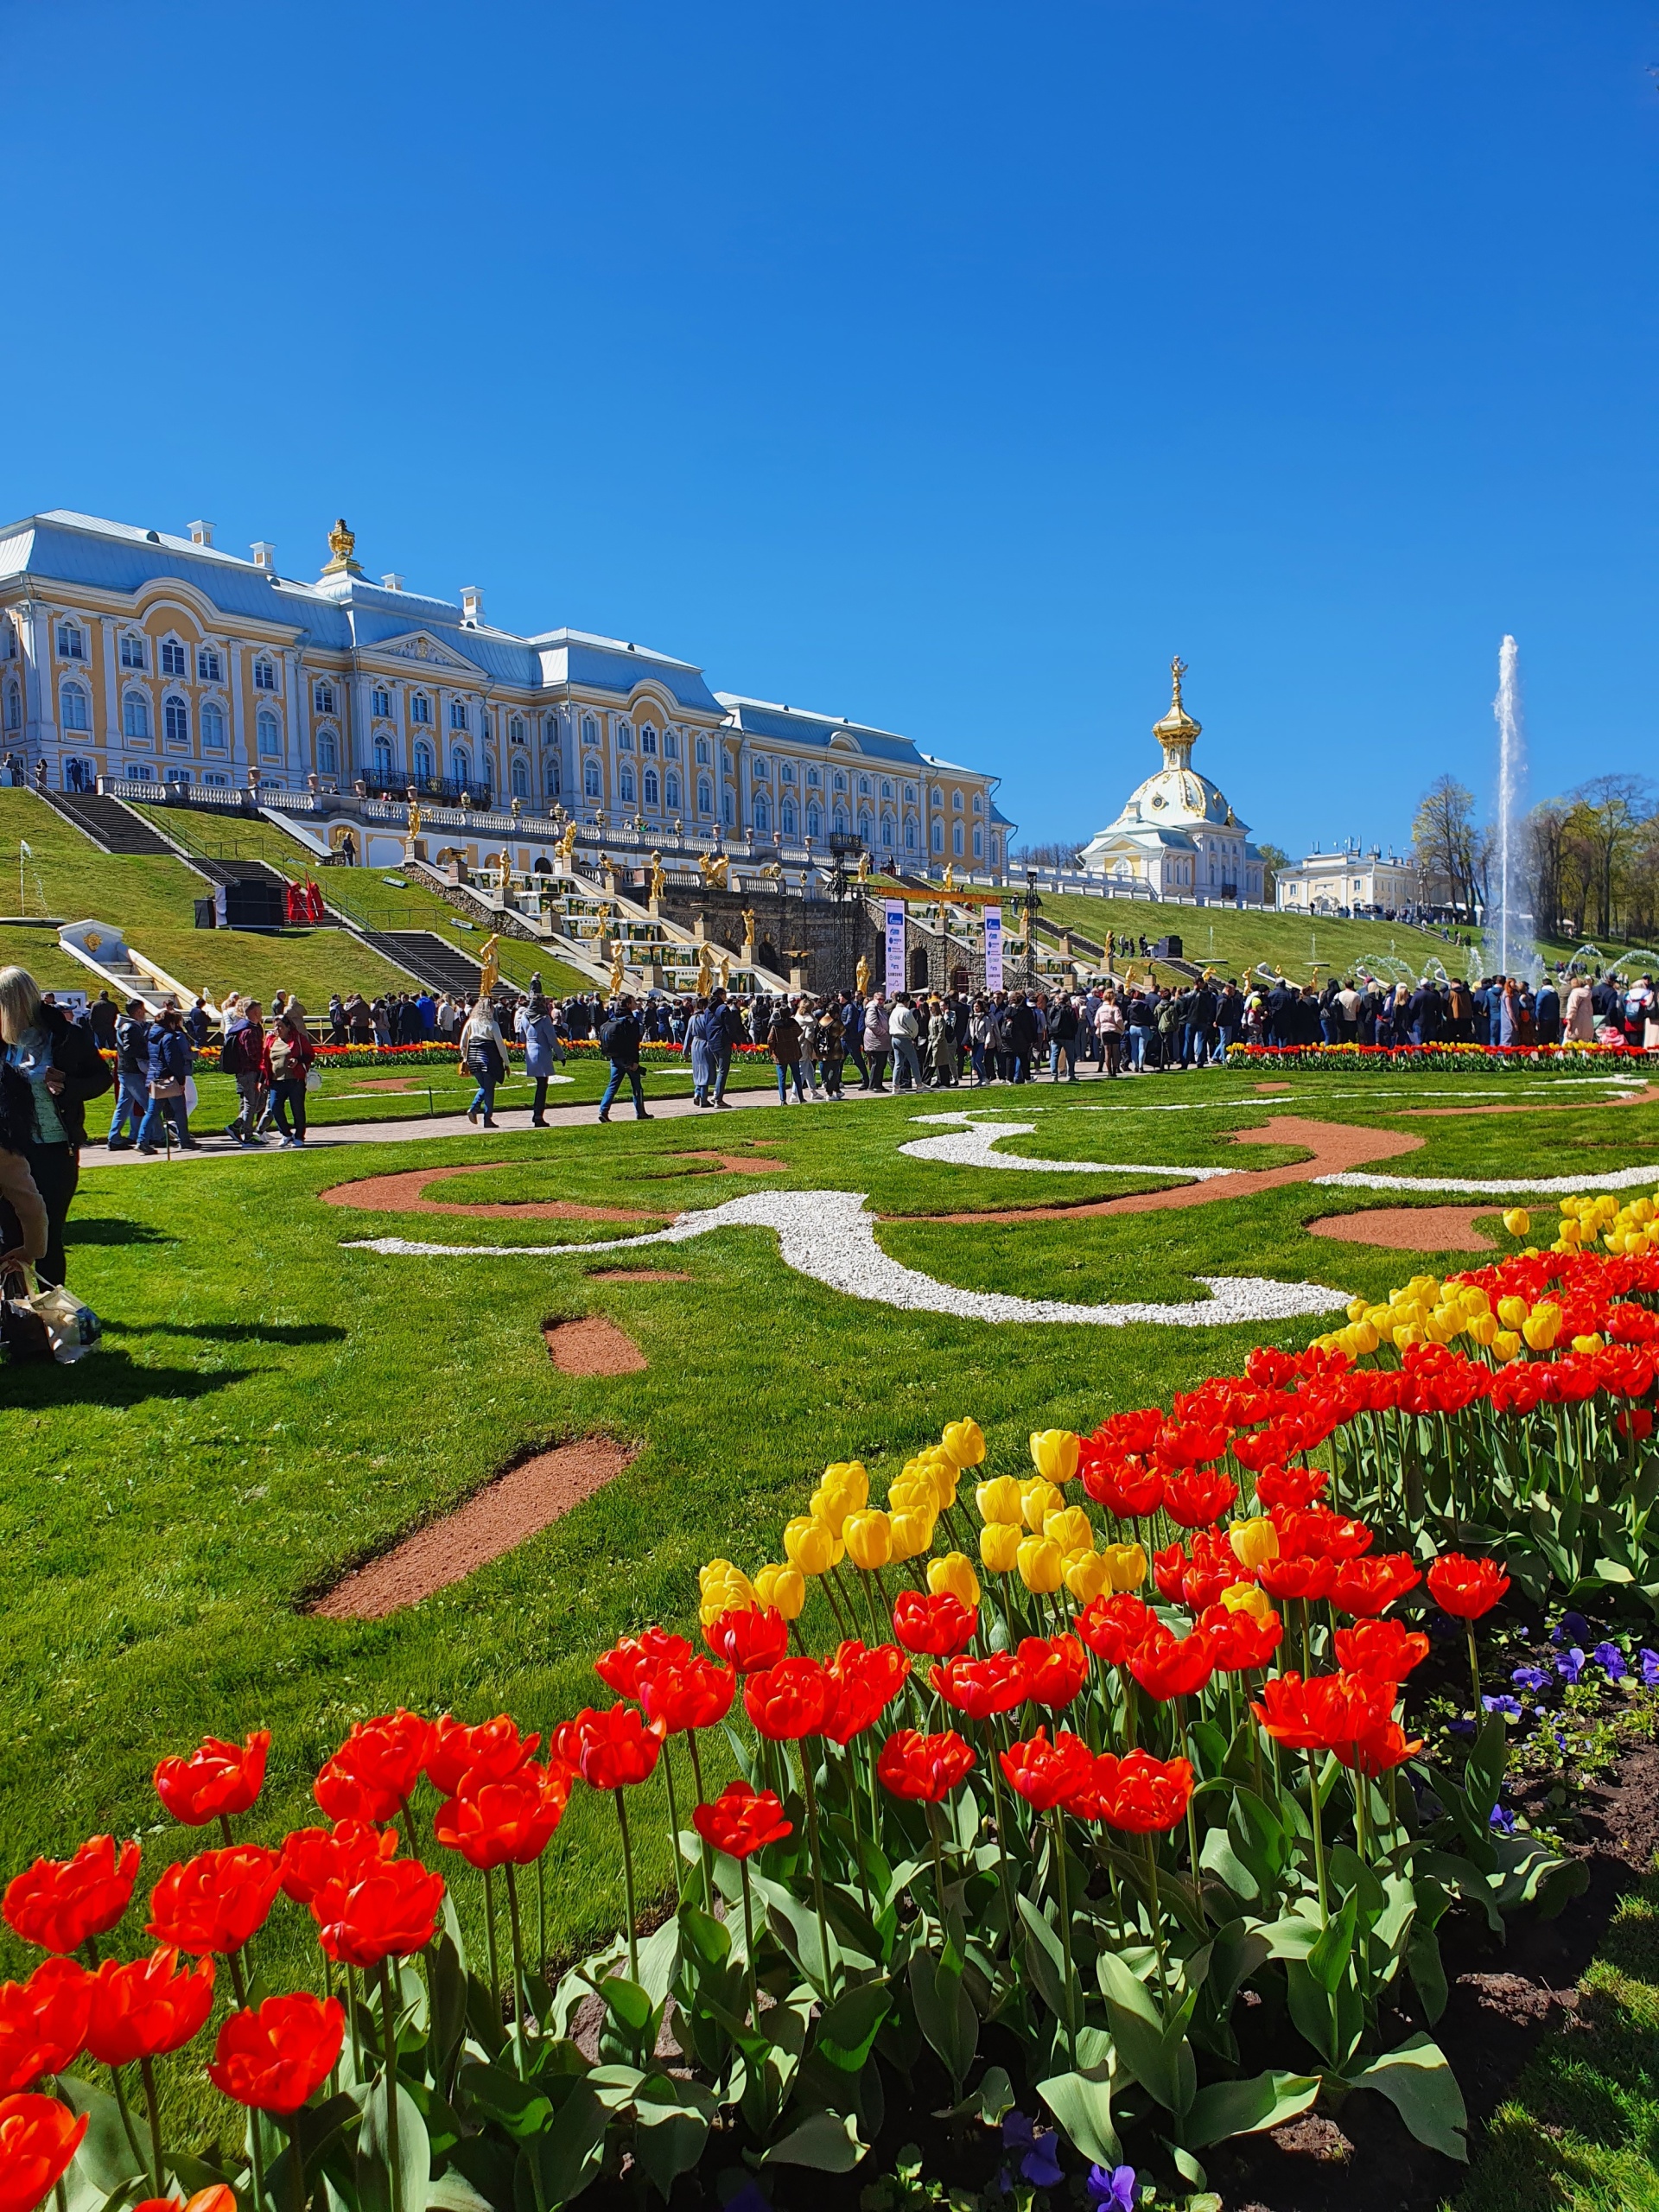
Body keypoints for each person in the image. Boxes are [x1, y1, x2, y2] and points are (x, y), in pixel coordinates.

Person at [0, 967, 110, 1286]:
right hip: (9, 1149)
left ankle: (53, 1310)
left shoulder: (64, 1036)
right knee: (8, 1234)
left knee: (46, 1235)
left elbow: (101, 1078)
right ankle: (17, 1314)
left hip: (54, 1149)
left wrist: (69, 1086)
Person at [137, 1003, 196, 1152]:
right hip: (168, 1078)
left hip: (154, 1077)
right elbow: (172, 1060)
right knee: (180, 1110)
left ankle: (141, 1140)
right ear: (170, 1023)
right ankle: (185, 1139)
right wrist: (181, 1080)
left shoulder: (151, 1037)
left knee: (152, 1112)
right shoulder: (169, 1037)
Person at [261, 1012, 315, 1147]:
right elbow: (265, 1061)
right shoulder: (271, 1040)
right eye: (275, 1026)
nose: (277, 1029)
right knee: (274, 1107)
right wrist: (262, 1080)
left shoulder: (298, 1039)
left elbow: (310, 1055)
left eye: (280, 1026)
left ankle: (299, 1136)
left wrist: (297, 1060)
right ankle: (286, 1133)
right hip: (276, 1081)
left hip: (294, 1080)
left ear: (288, 1027)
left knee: (297, 1108)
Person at [598, 993, 652, 1122]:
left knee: (613, 1085)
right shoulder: (631, 1021)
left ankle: (603, 1110)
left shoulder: (613, 1019)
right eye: (633, 1002)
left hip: (615, 1057)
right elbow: (633, 1043)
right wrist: (635, 1062)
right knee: (636, 1086)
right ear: (628, 1004)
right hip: (628, 1058)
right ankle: (640, 1112)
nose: (635, 1004)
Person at [106, 996, 151, 1148]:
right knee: (149, 1105)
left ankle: (114, 1137)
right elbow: (130, 1049)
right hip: (132, 1071)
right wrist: (147, 1054)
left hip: (126, 1070)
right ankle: (157, 1136)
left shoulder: (125, 1026)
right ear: (138, 1011)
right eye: (143, 1010)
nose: (144, 1012)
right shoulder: (131, 1027)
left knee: (124, 1106)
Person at [222, 999, 268, 1144]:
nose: (261, 1014)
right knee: (251, 1104)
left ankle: (236, 1126)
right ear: (255, 1012)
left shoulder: (247, 1027)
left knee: (259, 1103)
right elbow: (253, 1054)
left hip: (248, 1071)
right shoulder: (249, 1031)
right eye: (260, 1011)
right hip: (248, 1072)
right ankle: (248, 1136)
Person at [460, 998, 506, 1127]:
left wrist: (465, 1057)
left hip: (473, 1058)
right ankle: (482, 1114)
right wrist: (506, 1062)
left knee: (485, 1087)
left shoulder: (471, 1022)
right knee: (489, 1088)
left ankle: (481, 1113)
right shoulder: (492, 1024)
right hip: (489, 1059)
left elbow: (463, 1043)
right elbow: (500, 1045)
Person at [522, 995, 563, 1126]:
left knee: (541, 1084)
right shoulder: (544, 1019)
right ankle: (538, 1114)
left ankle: (537, 1113)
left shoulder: (525, 1016)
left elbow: (522, 1036)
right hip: (541, 1051)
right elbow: (552, 1038)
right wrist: (560, 1055)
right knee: (542, 1085)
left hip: (530, 1050)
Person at [769, 999, 807, 1103]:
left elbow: (770, 1040)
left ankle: (783, 1100)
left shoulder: (776, 1026)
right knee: (796, 1076)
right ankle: (801, 1097)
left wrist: (772, 1050)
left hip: (780, 1054)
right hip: (793, 1052)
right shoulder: (793, 1024)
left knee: (782, 1078)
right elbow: (799, 1032)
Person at [889, 994, 924, 1090]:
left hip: (894, 1037)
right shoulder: (906, 1011)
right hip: (904, 1037)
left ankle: (895, 1086)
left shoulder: (894, 1011)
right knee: (914, 1061)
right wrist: (913, 1036)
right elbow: (914, 1026)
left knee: (898, 1062)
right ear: (906, 1002)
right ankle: (919, 1084)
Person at [685, 995, 715, 1107]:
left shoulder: (692, 1018)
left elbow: (688, 1035)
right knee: (706, 1073)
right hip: (705, 1045)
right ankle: (703, 1099)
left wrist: (685, 1050)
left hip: (695, 1045)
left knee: (698, 1071)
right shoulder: (707, 1018)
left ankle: (697, 1093)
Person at [862, 991, 891, 1091]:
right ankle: (873, 1085)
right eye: (879, 999)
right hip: (875, 1040)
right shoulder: (872, 1008)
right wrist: (883, 1032)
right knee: (877, 1063)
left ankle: (878, 1084)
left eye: (883, 999)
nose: (881, 1001)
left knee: (881, 1063)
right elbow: (872, 1024)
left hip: (882, 1041)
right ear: (874, 999)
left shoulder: (881, 1009)